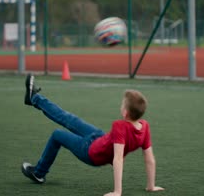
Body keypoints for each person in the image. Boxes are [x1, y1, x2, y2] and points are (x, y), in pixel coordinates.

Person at [21, 74, 164, 196]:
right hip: (99, 138)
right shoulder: (144, 127)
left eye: (122, 104)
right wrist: (151, 186)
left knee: (57, 135)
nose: (121, 106)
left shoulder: (120, 126)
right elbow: (149, 159)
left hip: (90, 152)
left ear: (125, 113)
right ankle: (34, 98)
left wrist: (117, 192)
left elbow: (118, 159)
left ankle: (39, 173)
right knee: (68, 118)